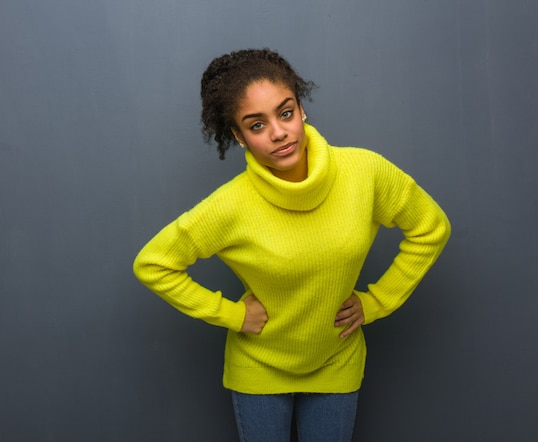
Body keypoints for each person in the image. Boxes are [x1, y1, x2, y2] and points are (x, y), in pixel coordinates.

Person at [133, 48, 451, 442]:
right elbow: (154, 264)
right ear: (238, 136)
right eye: (256, 125)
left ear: (301, 110)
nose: (278, 132)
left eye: (285, 113)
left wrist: (378, 301)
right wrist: (232, 315)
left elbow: (430, 227)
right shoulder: (230, 205)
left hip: (337, 357)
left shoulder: (364, 173)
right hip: (260, 365)